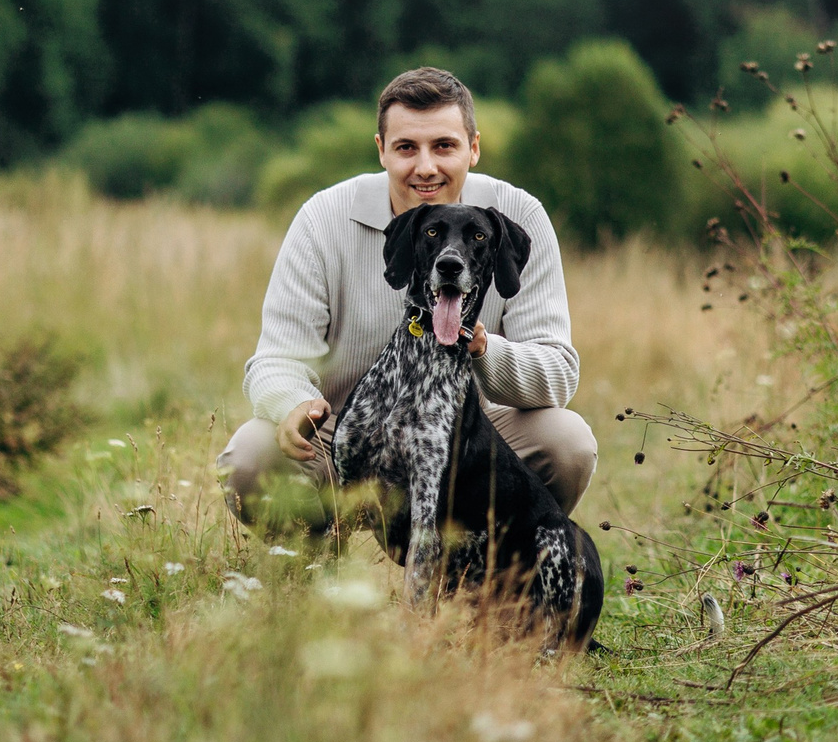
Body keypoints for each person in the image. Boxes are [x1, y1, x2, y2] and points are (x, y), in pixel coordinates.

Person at [221, 66, 596, 531]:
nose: (425, 167)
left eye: (443, 145)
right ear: (381, 151)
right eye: (405, 148)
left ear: (473, 148)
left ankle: (491, 587)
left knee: (568, 442)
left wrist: (481, 347)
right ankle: (314, 584)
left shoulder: (516, 218)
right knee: (250, 457)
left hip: (466, 438)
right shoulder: (324, 218)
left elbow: (556, 373)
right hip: (345, 432)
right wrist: (292, 402)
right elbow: (275, 358)